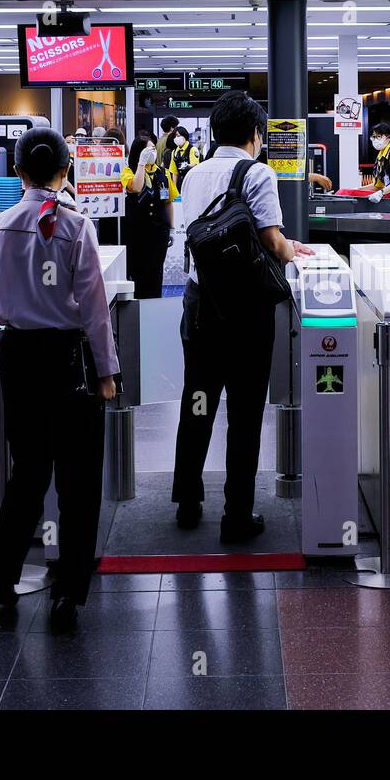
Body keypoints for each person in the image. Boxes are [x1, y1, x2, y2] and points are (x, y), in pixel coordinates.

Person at [0, 127, 119, 632]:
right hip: (69, 360)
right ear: (66, 172)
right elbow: (96, 309)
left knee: (28, 474)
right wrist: (106, 371)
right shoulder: (78, 227)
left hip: (17, 357)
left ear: (17, 173)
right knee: (79, 484)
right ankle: (68, 597)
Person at [171, 91, 315, 540]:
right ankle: (237, 514)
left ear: (215, 132)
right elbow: (273, 242)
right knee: (246, 412)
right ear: (255, 134)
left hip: (200, 306)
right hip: (246, 313)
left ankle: (189, 502)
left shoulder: (193, 174)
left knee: (197, 403)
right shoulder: (258, 173)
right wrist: (294, 250)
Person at [120, 134, 177, 298]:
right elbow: (136, 187)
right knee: (138, 271)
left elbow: (168, 202)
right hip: (137, 231)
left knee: (156, 271)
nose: (152, 152)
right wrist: (141, 164)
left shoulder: (163, 173)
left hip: (159, 231)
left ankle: (155, 304)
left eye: (153, 149)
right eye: (148, 149)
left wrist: (171, 228)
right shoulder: (128, 171)